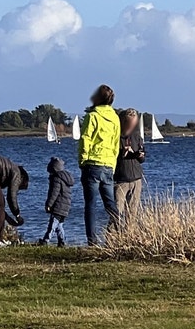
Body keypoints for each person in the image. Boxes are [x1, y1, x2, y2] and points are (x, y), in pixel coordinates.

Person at [78, 84, 123, 246]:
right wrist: (113, 163)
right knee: (110, 204)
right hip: (108, 164)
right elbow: (116, 143)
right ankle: (123, 232)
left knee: (90, 204)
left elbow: (85, 139)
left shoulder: (92, 116)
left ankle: (92, 241)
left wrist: (82, 160)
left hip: (92, 163)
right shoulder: (115, 118)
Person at [114, 108, 147, 227]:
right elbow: (111, 157)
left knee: (132, 214)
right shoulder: (115, 137)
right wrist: (122, 154)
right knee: (116, 212)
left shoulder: (136, 136)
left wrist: (140, 155)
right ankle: (112, 235)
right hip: (121, 179)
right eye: (130, 123)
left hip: (136, 179)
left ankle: (129, 234)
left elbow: (142, 159)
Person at [40, 156, 73, 246]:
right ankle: (62, 241)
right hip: (65, 206)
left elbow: (54, 193)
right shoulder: (65, 178)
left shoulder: (56, 179)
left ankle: (46, 240)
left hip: (58, 205)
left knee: (52, 224)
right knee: (59, 225)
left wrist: (49, 204)